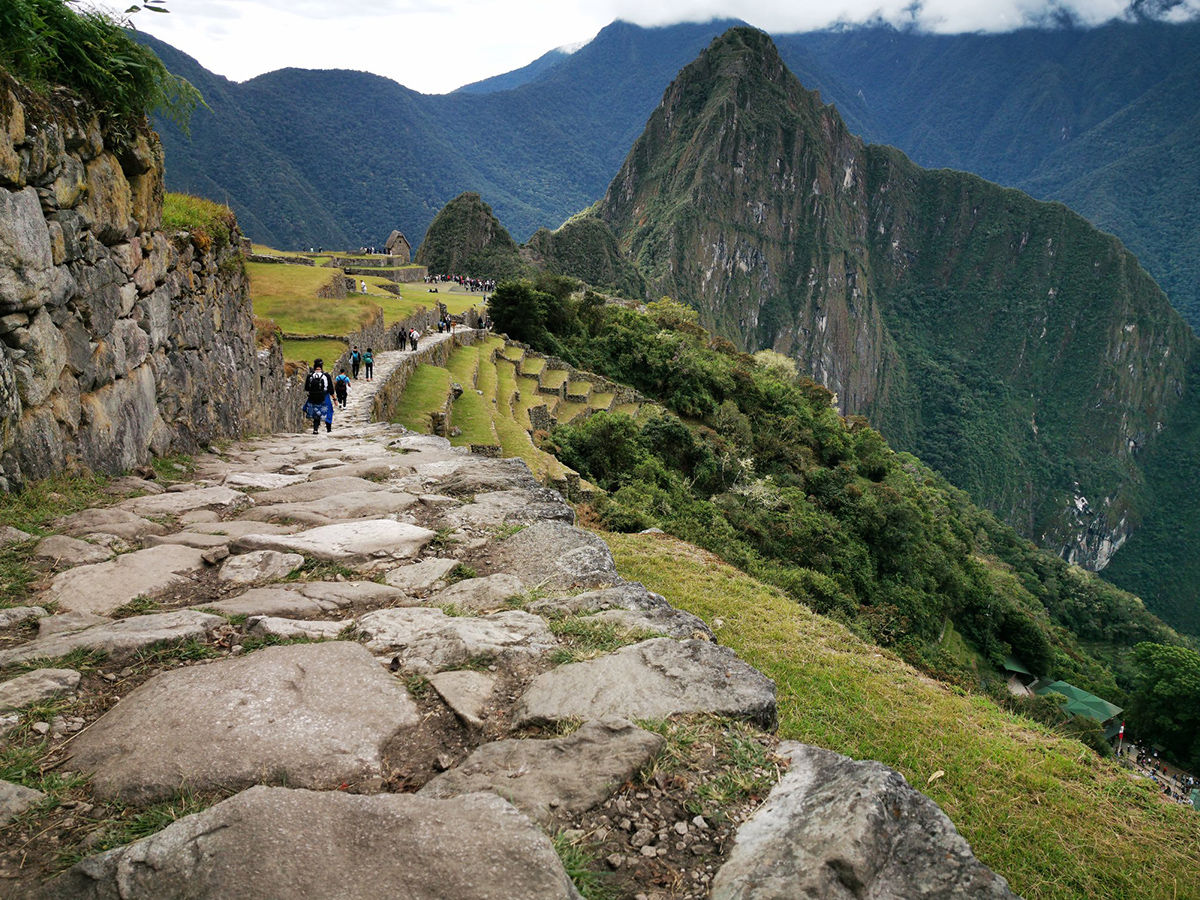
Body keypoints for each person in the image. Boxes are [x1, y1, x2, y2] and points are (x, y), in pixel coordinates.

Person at [303, 359, 335, 434]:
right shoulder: (326, 376)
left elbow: (306, 388)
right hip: (324, 396)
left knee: (316, 414)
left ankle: (315, 429)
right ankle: (328, 429)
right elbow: (330, 389)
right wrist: (335, 399)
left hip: (313, 397)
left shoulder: (310, 376)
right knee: (328, 412)